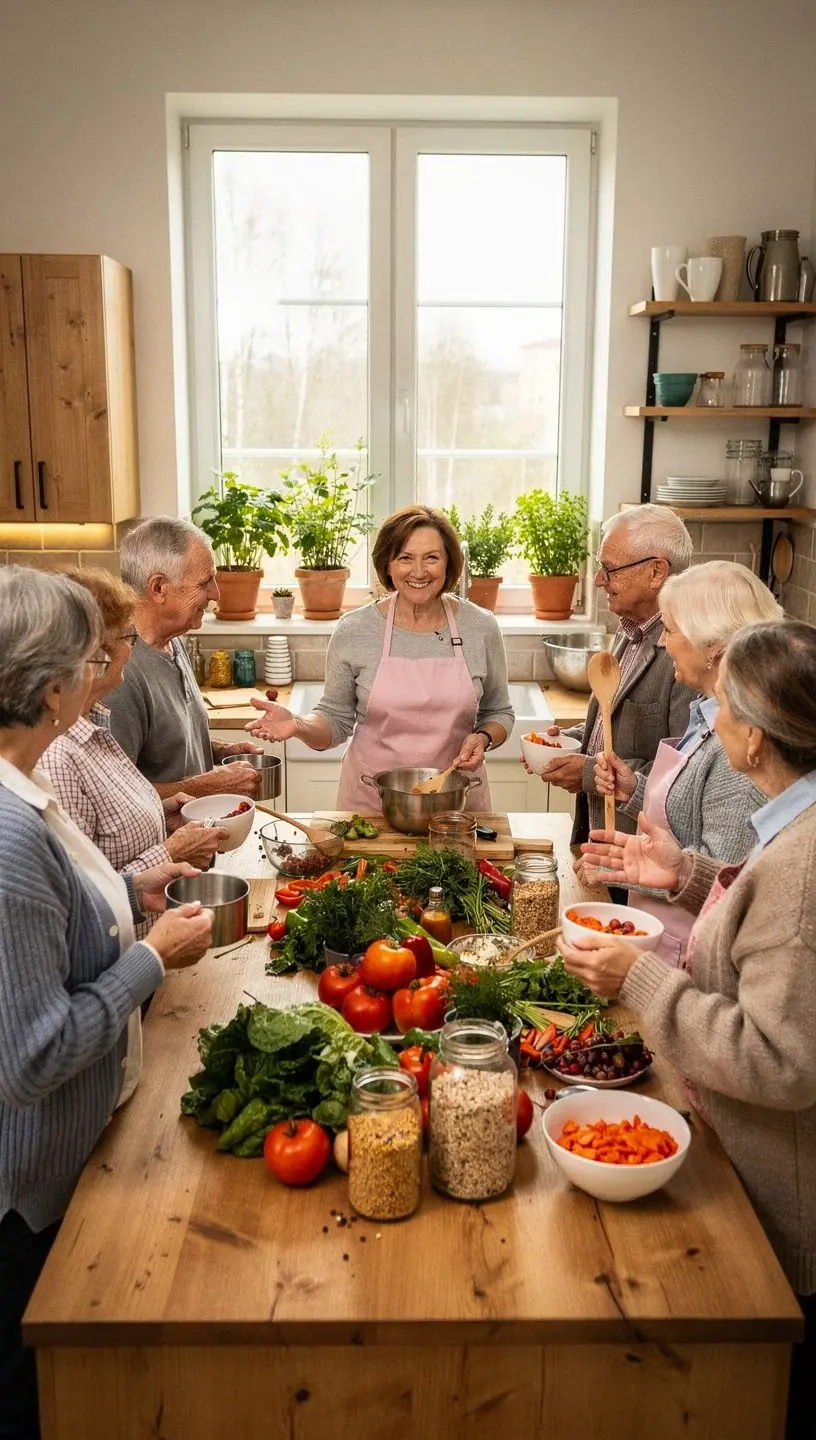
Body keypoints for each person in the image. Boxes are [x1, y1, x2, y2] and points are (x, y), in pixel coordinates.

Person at [562, 620, 816, 1440]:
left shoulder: (801, 868)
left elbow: (779, 1062)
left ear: (752, 733)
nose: (716, 717)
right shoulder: (793, 831)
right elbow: (763, 933)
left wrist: (637, 978)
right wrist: (689, 873)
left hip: (783, 1204)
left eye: (722, 705)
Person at [0, 567, 214, 1440]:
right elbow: (32, 1058)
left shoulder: (24, 796)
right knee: (38, 1395)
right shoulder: (10, 834)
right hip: (29, 1186)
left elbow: (53, 930)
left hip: (76, 1147)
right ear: (52, 687)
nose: (103, 674)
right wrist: (152, 961)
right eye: (89, 658)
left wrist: (135, 887)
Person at [245, 505, 514, 810]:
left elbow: (499, 712)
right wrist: (298, 724)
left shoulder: (480, 626)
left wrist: (483, 737)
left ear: (449, 562)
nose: (418, 571)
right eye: (405, 558)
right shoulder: (355, 630)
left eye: (432, 557)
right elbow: (335, 720)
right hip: (373, 804)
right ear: (387, 565)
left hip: (456, 806)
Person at [591, 560, 782, 965]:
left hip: (687, 956)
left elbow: (729, 882)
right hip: (657, 935)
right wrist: (633, 790)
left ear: (711, 646)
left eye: (672, 631)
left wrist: (644, 871)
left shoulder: (740, 750)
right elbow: (687, 812)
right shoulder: (707, 714)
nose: (662, 643)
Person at [40, 568, 227, 934]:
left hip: (153, 949)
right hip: (126, 964)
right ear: (92, 658)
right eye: (127, 636)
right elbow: (78, 907)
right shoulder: (58, 757)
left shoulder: (95, 722)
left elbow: (105, 829)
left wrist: (161, 812)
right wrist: (172, 852)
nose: (132, 647)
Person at [534, 505, 697, 848]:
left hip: (642, 855)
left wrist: (589, 772)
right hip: (602, 839)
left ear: (656, 572)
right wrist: (567, 741)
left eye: (609, 569)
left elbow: (685, 779)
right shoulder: (629, 630)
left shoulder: (689, 656)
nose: (597, 580)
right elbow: (612, 729)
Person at [106, 516, 262, 799]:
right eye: (205, 582)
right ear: (158, 588)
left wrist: (218, 750)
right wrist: (211, 785)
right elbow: (118, 797)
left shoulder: (173, 641)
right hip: (164, 843)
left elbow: (164, 746)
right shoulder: (121, 674)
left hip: (201, 836)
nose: (215, 593)